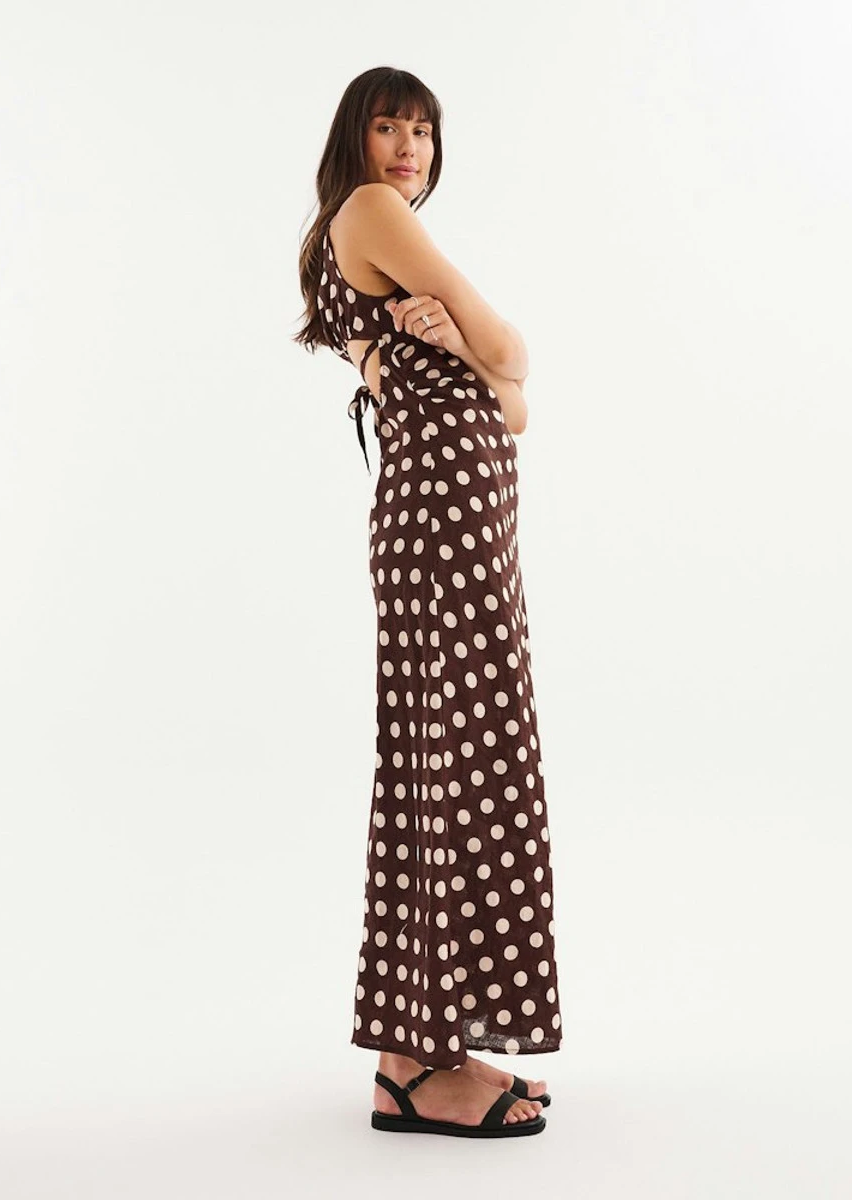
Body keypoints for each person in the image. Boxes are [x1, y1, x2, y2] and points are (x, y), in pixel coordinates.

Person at [294, 67, 563, 1139]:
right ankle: (413, 1066)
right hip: (443, 526)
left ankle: (426, 1048)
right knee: (455, 764)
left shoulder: (364, 236)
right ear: (354, 140)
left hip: (451, 523)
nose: (409, 147)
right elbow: (516, 353)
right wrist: (483, 345)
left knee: (456, 763)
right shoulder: (370, 211)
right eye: (388, 125)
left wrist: (464, 346)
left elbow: (514, 403)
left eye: (424, 130)